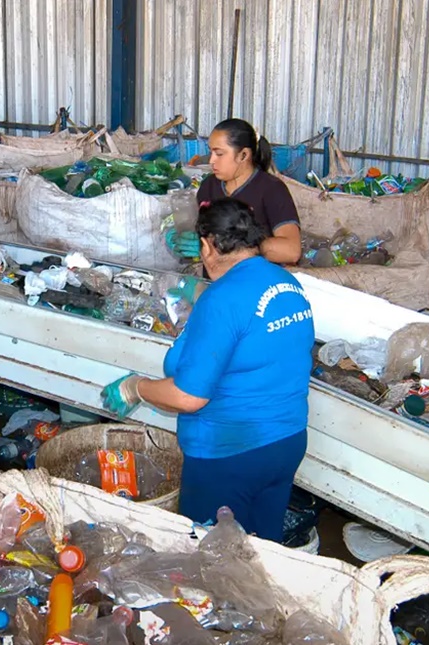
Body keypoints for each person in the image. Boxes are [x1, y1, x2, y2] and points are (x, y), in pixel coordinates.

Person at [102, 198, 314, 541]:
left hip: (229, 454)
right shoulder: (288, 283)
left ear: (207, 245)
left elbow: (189, 396)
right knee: (263, 554)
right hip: (285, 443)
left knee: (211, 564)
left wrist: (136, 387)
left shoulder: (223, 301)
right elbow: (255, 330)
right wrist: (202, 292)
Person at [165, 119, 302, 265]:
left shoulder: (272, 189)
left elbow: (291, 251)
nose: (211, 160)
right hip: (215, 280)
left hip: (254, 281)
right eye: (211, 152)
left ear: (243, 155)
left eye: (219, 154)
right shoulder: (209, 186)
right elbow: (202, 231)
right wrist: (186, 239)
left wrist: (229, 246)